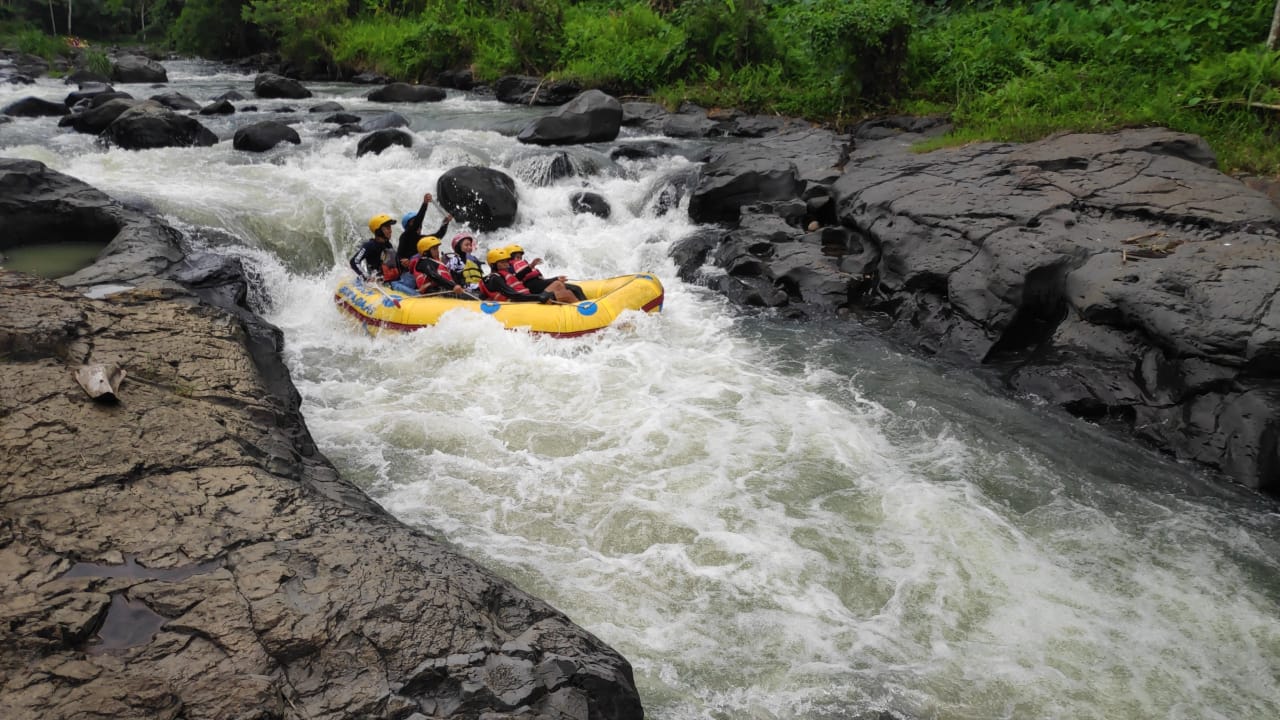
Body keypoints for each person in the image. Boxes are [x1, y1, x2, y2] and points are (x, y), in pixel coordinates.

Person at [506, 244, 585, 302]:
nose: (519, 259)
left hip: (539, 285)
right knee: (575, 289)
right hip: (533, 288)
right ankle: (585, 306)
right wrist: (531, 266)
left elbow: (541, 282)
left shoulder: (524, 266)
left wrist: (555, 278)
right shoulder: (510, 268)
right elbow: (517, 277)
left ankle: (582, 303)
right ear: (510, 258)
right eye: (517, 257)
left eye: (520, 257)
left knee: (575, 289)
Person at [396, 192, 453, 271]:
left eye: (418, 223)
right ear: (407, 226)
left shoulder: (422, 239)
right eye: (413, 222)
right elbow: (417, 222)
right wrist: (425, 204)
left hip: (420, 268)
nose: (418, 225)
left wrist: (445, 222)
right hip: (406, 270)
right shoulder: (405, 236)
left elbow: (438, 236)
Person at [481, 247, 553, 303]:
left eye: (506, 261)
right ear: (493, 265)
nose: (506, 264)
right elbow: (513, 295)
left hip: (520, 300)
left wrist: (530, 267)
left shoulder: (501, 276)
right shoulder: (494, 279)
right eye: (502, 262)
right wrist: (538, 297)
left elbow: (517, 277)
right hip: (514, 304)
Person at [349, 214, 400, 282]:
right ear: (378, 231)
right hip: (379, 283)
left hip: (391, 280)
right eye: (387, 228)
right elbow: (354, 261)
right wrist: (366, 277)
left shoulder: (388, 245)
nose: (390, 231)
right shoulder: (369, 245)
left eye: (390, 228)